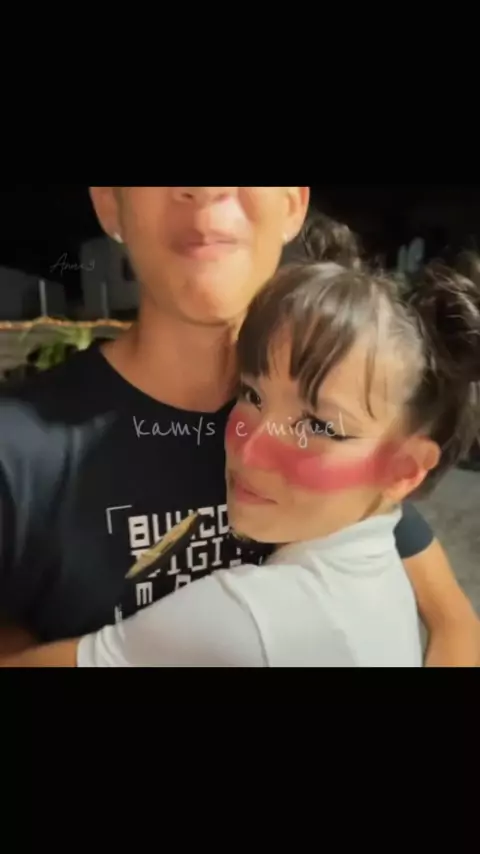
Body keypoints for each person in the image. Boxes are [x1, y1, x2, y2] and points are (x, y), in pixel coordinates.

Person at [0, 188, 478, 664]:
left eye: (319, 425)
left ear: (292, 203)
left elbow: (454, 620)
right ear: (109, 201)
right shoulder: (17, 456)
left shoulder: (351, 457)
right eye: (253, 396)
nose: (208, 188)